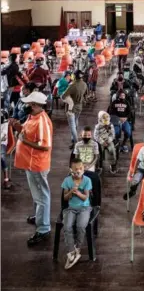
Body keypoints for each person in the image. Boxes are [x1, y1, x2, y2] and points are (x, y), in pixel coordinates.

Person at [14, 92, 53, 246]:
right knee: (37, 194)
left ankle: (43, 229)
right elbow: (26, 131)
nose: (26, 106)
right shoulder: (32, 117)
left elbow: (45, 146)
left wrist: (24, 141)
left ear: (36, 105)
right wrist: (18, 127)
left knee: (42, 195)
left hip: (37, 164)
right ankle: (39, 217)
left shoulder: (42, 121)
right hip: (30, 163)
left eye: (29, 104)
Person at [61, 158, 92, 269]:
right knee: (67, 226)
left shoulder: (87, 180)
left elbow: (85, 198)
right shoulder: (67, 181)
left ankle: (78, 247)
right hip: (71, 208)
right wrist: (70, 192)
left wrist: (78, 193)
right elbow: (65, 197)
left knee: (80, 226)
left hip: (84, 208)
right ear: (71, 170)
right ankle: (71, 251)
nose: (78, 171)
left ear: (83, 169)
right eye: (75, 169)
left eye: (80, 169)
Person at [65, 70, 87, 149]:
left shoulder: (72, 85)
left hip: (72, 108)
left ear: (74, 76)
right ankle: (74, 142)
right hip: (79, 107)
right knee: (75, 121)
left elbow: (63, 96)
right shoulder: (84, 84)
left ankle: (76, 143)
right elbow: (86, 95)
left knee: (72, 126)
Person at [1, 114, 11, 189]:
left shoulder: (4, 116)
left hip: (1, 142)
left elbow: (3, 135)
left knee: (2, 157)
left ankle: (6, 179)